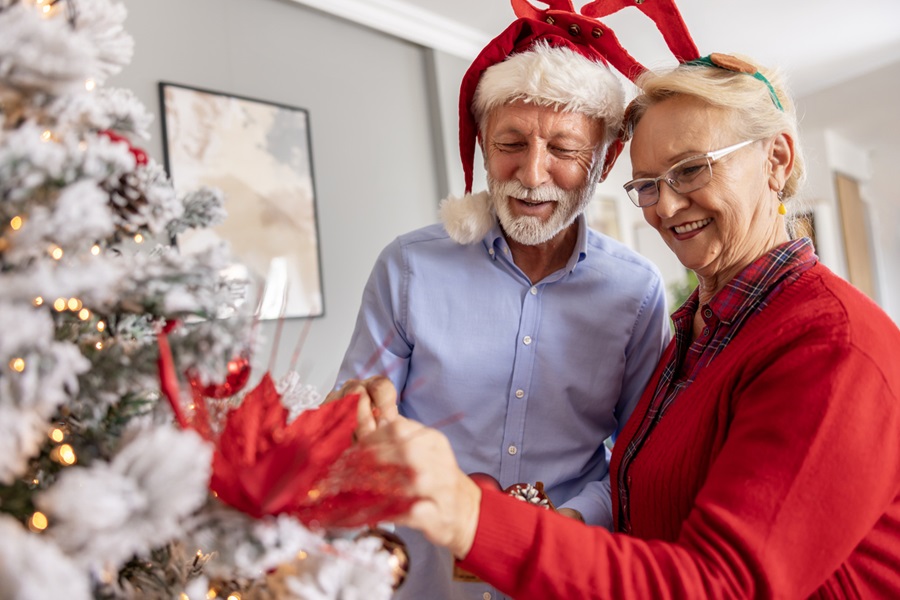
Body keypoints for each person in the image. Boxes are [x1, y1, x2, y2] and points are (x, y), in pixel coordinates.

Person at [341, 49, 900, 598]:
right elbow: (637, 486)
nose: (668, 207)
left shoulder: (834, 342)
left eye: (691, 169)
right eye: (649, 184)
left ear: (776, 159)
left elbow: (725, 583)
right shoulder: (702, 330)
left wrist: (474, 516)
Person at [330, 7, 671, 600]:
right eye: (511, 142)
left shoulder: (636, 290)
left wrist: (577, 519)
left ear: (601, 162)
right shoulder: (409, 267)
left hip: (567, 570)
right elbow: (353, 423)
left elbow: (642, 453)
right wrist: (355, 419)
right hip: (421, 575)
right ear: (483, 147)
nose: (532, 173)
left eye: (563, 148)